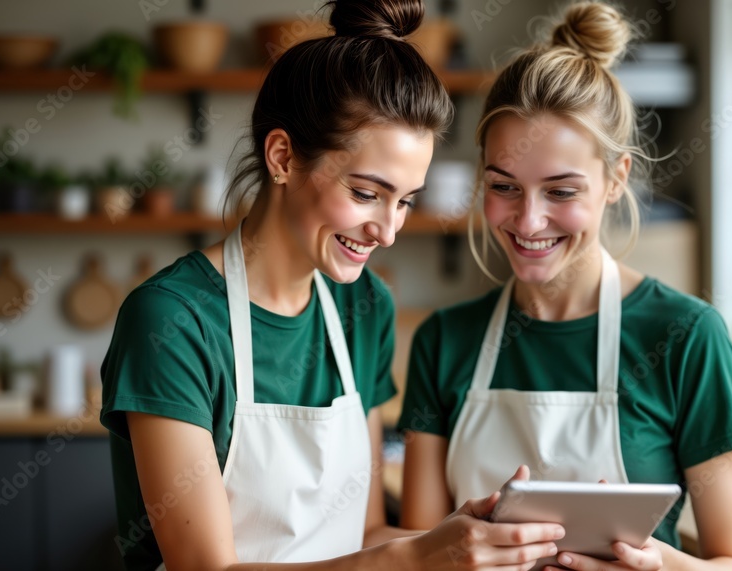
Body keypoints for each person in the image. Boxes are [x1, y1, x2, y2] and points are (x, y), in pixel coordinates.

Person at [99, 1, 566, 569]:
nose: (388, 231)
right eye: (367, 193)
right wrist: (416, 558)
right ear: (282, 157)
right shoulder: (173, 321)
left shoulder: (364, 306)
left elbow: (362, 530)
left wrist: (471, 541)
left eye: (406, 202)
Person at [397, 2, 732, 570]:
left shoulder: (687, 336)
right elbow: (415, 553)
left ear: (616, 180)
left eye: (561, 191)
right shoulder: (444, 341)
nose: (528, 220)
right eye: (504, 186)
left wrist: (661, 567)